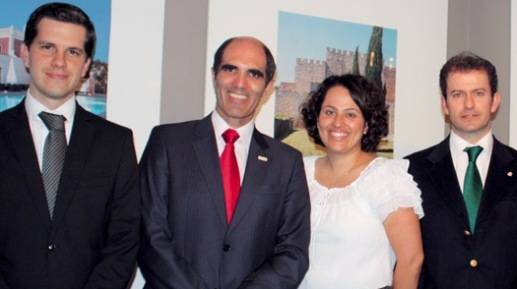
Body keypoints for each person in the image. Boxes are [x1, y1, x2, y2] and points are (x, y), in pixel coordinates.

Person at [138, 36, 310, 289]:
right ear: (214, 75)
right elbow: (149, 233)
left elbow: (292, 252)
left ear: (268, 85)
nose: (240, 83)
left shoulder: (287, 162)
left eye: (254, 74)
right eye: (230, 69)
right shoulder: (168, 142)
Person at [0, 3, 140, 288]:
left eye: (73, 52)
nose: (59, 62)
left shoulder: (116, 143)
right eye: (48, 47)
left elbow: (124, 240)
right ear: (26, 53)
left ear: (86, 65)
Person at [405, 52, 517, 289]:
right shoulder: (413, 170)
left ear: (494, 101)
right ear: (444, 104)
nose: (468, 104)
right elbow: (407, 255)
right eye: (457, 94)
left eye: (478, 93)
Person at [297, 74, 423, 289]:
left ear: (366, 125)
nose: (338, 123)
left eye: (351, 114)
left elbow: (411, 260)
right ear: (317, 118)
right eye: (329, 112)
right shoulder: (300, 171)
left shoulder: (385, 178)